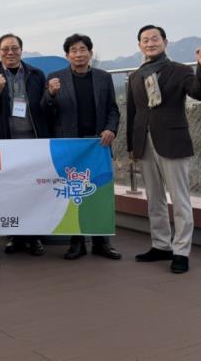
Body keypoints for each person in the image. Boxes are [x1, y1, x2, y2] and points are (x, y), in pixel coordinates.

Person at [128, 25, 201, 274]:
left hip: (173, 142)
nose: (150, 43)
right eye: (145, 40)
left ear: (165, 42)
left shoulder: (180, 70)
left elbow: (199, 93)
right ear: (139, 45)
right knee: (154, 199)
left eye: (155, 38)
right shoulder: (135, 76)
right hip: (144, 143)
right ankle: (161, 245)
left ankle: (181, 251)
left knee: (180, 200)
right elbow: (133, 113)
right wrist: (132, 146)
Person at [42, 34, 122, 260]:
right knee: (74, 194)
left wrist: (111, 129)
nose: (79, 54)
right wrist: (50, 94)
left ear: (90, 53)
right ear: (67, 55)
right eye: (74, 50)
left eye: (83, 49)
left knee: (100, 192)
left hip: (98, 145)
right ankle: (76, 243)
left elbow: (113, 109)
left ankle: (101, 243)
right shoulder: (55, 78)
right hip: (70, 146)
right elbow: (44, 111)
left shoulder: (103, 77)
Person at [0, 33, 49, 257]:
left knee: (33, 189)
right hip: (6, 141)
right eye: (5, 49)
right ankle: (14, 236)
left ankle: (34, 237)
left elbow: (44, 104)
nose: (10, 53)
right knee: (10, 189)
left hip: (33, 140)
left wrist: (52, 94)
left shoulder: (35, 74)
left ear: (21, 50)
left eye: (14, 48)